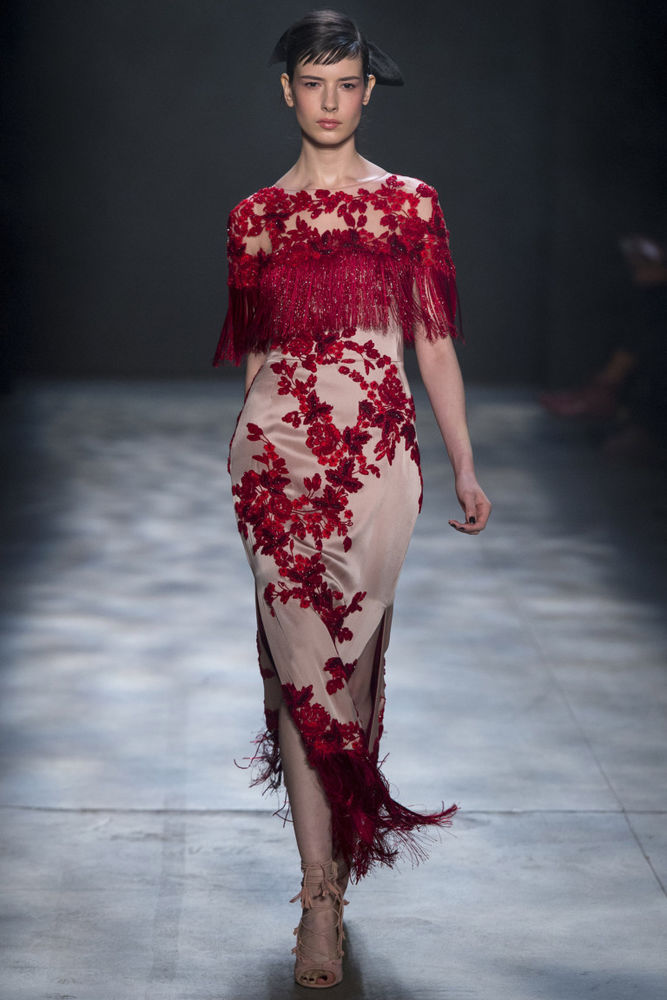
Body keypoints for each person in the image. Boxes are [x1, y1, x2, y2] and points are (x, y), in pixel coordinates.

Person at [213, 9, 491, 989]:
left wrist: (462, 464)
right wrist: (243, 455)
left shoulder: (410, 205)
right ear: (287, 91)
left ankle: (340, 851)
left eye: (345, 84)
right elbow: (257, 355)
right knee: (303, 675)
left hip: (377, 466)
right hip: (275, 463)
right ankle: (318, 896)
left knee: (353, 672)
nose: (328, 101)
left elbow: (434, 346)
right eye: (312, 83)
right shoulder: (254, 216)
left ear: (367, 93)